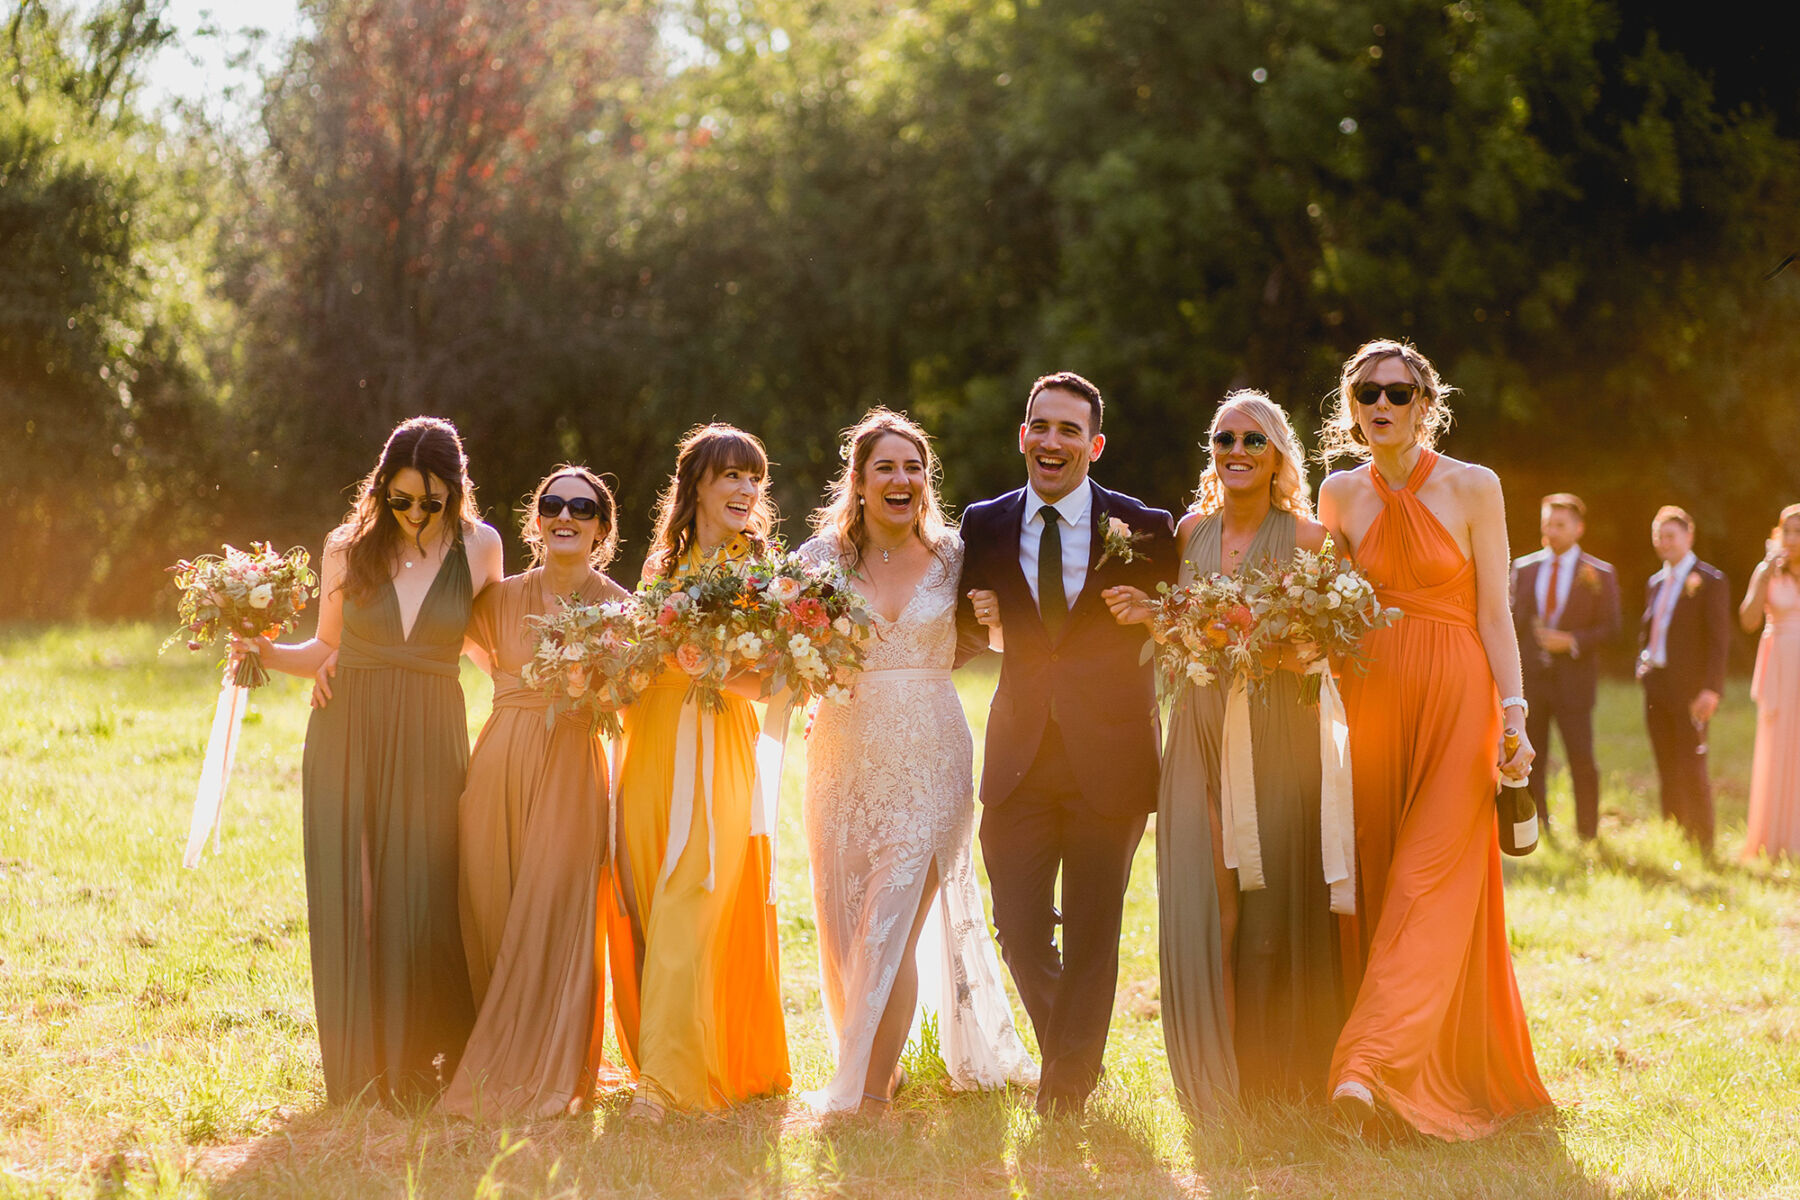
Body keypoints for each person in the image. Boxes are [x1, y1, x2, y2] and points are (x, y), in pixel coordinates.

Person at [1315, 340, 1551, 1140]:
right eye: (1366, 392)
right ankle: (1414, 1057)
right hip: (1373, 701)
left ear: (1425, 403)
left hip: (1458, 699)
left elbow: (1495, 611)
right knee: (1383, 872)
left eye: (1398, 391)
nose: (1382, 404)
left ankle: (1365, 1069)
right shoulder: (1338, 494)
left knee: (1430, 878)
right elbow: (1326, 608)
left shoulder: (1474, 487)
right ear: (1351, 408)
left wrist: (1514, 716)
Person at [236, 416, 505, 1106]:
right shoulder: (345, 548)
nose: (416, 513)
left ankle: (422, 1062)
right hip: (347, 729)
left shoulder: (482, 548)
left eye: (431, 501)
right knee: (352, 896)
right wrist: (259, 648)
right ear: (382, 490)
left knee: (424, 893)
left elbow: (488, 647)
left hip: (432, 732)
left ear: (457, 491)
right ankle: (358, 1071)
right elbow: (325, 647)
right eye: (401, 499)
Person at [1103, 392, 1343, 1113]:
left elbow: (1321, 649)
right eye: (1224, 438)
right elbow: (1178, 635)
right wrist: (1157, 617)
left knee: (1268, 908)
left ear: (1278, 457)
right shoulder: (1189, 533)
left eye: (1253, 441)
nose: (1236, 451)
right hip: (1200, 727)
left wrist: (1272, 644)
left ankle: (1275, 1070)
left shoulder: (1307, 538)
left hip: (1276, 733)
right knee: (1210, 901)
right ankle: (1214, 1081)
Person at [796, 409, 1036, 1116]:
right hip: (842, 755)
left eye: (914, 468)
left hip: (932, 754)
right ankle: (876, 1062)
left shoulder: (959, 558)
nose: (902, 480)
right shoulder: (816, 563)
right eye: (886, 468)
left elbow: (1011, 631)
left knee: (889, 929)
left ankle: (867, 1093)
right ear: (860, 482)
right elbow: (787, 648)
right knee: (845, 927)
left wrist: (996, 614)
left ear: (926, 482)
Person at [956, 371, 1177, 1119]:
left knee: (1093, 928)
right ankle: (1073, 1051)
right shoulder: (983, 522)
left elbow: (1180, 627)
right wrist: (980, 616)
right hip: (1018, 757)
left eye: (1069, 430)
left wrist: (1152, 610)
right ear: (1024, 436)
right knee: (1017, 928)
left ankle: (1067, 1091)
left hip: (1110, 758)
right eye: (1041, 427)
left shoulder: (1146, 526)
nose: (1053, 442)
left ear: (1095, 445)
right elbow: (958, 629)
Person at [609, 424, 790, 1120]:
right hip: (652, 742)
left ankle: (665, 1089)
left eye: (753, 477)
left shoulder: (764, 571)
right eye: (730, 477)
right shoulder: (662, 566)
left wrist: (714, 669)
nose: (745, 490)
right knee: (657, 904)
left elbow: (776, 676)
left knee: (691, 899)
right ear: (698, 488)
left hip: (716, 746)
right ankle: (680, 1056)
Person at [442, 466, 632, 1120]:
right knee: (491, 898)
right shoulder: (498, 599)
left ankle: (546, 1058)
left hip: (572, 766)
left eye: (582, 507)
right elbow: (450, 640)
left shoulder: (618, 606)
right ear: (536, 519)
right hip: (499, 759)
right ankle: (493, 1043)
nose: (566, 515)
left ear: (601, 528)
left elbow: (631, 701)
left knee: (555, 904)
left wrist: (587, 688)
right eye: (552, 503)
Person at [1509, 493, 1621, 840]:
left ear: (1578, 528)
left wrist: (1572, 641)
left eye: (1559, 525)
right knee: (1534, 758)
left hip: (1575, 682)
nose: (1551, 531)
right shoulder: (1524, 568)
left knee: (1582, 760)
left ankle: (1588, 833)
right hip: (1533, 682)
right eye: (1547, 524)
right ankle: (1538, 826)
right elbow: (1511, 622)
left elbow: (1613, 629)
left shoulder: (1600, 573)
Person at [1636, 506, 1731, 855]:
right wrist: (1641, 661)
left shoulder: (1709, 581)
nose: (1663, 542)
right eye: (1658, 536)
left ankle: (1702, 840)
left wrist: (1711, 689)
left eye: (1670, 535)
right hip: (1656, 684)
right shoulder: (1655, 582)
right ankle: (1673, 829)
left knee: (1692, 763)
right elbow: (1650, 629)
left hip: (1691, 687)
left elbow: (1720, 640)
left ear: (1688, 537)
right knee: (1665, 761)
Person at [1740, 504, 1800, 861]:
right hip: (1779, 665)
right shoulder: (1768, 573)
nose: (1792, 539)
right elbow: (1748, 620)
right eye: (1787, 531)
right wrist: (1763, 576)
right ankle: (1773, 837)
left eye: (1799, 532)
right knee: (1777, 748)